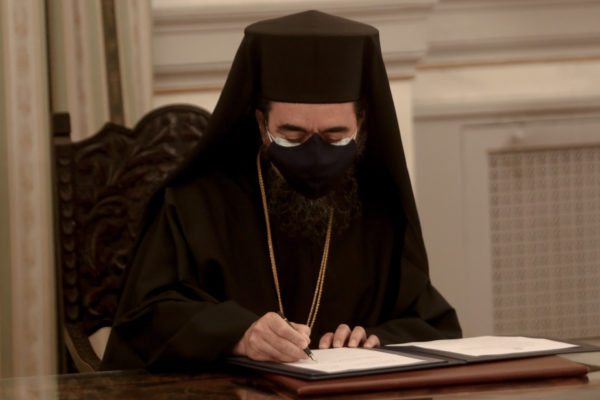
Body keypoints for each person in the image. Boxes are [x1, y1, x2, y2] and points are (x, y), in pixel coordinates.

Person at [100, 10, 461, 371]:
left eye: (335, 136)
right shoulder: (196, 204)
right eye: (293, 135)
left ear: (361, 122)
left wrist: (376, 340)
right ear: (261, 123)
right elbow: (145, 319)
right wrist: (238, 335)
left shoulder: (380, 210)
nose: (316, 154)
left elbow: (432, 323)